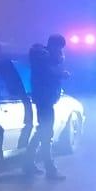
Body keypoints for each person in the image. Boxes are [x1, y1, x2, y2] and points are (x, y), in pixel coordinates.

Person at [25, 33, 68, 179]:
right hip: (44, 100)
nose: (60, 51)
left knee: (41, 131)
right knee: (46, 133)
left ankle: (28, 164)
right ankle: (50, 169)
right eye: (59, 47)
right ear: (53, 45)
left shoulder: (45, 57)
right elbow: (50, 72)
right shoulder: (42, 57)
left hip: (46, 99)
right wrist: (61, 74)